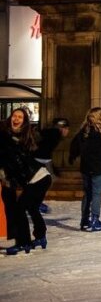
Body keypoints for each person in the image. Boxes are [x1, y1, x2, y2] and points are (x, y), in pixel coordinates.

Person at [1, 108, 45, 255]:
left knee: (21, 208)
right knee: (25, 208)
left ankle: (24, 242)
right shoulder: (3, 133)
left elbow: (21, 160)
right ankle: (34, 237)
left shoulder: (27, 137)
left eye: (20, 117)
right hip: (17, 176)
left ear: (24, 121)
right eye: (14, 116)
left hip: (34, 177)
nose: (16, 119)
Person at [31, 117, 70, 216]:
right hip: (40, 159)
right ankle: (36, 203)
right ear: (62, 128)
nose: (68, 132)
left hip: (43, 159)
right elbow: (43, 142)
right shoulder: (55, 133)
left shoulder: (54, 134)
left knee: (46, 180)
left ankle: (36, 202)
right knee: (46, 181)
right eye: (67, 129)